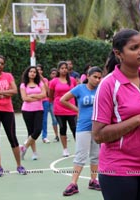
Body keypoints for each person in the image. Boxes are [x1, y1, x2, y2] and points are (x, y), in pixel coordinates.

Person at [92, 29, 140, 200]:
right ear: (118, 53)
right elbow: (98, 135)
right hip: (118, 168)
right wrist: (137, 120)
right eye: (134, 48)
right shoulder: (108, 85)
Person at [0, 55, 26, 177]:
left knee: (12, 137)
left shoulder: (8, 76)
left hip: (7, 110)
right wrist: (3, 94)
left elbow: (14, 91)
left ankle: (19, 165)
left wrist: (0, 93)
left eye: (2, 63)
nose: (0, 66)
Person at [62, 67, 103, 196]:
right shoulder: (80, 88)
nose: (97, 80)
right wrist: (77, 110)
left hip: (97, 127)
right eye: (94, 77)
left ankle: (93, 180)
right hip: (83, 127)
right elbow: (63, 99)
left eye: (99, 77)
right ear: (87, 76)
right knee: (80, 155)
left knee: (95, 155)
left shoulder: (101, 90)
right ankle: (73, 183)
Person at [49, 61, 78, 157]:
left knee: (75, 129)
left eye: (65, 68)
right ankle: (65, 149)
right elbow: (51, 94)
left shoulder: (73, 80)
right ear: (58, 70)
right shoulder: (54, 81)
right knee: (63, 129)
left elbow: (77, 93)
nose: (64, 69)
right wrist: (55, 102)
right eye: (62, 68)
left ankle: (78, 148)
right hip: (59, 109)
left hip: (71, 108)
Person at [19, 66, 46, 160]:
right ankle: (34, 153)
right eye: (31, 71)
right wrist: (37, 97)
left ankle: (24, 147)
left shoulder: (40, 83)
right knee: (30, 132)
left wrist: (33, 95)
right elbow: (24, 98)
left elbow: (44, 95)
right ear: (27, 73)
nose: (32, 73)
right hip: (26, 110)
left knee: (38, 130)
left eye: (34, 72)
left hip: (39, 109)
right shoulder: (23, 85)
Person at [36, 64, 50, 143]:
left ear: (42, 71)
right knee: (35, 120)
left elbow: (47, 90)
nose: (38, 71)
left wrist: (41, 78)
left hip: (44, 101)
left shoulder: (45, 80)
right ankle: (31, 136)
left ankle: (44, 136)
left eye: (39, 70)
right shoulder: (32, 80)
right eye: (36, 70)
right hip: (36, 102)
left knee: (44, 120)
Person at [49, 68, 59, 142]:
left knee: (62, 119)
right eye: (52, 73)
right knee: (54, 119)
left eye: (55, 73)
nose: (54, 75)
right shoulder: (50, 83)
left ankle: (63, 134)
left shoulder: (61, 82)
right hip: (53, 103)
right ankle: (56, 135)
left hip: (61, 103)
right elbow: (49, 94)